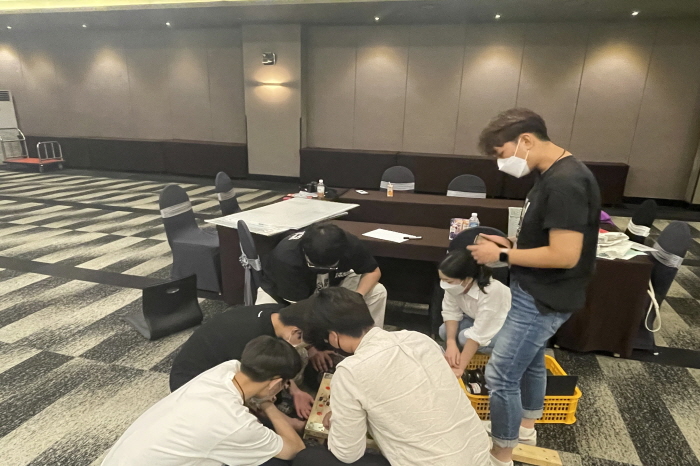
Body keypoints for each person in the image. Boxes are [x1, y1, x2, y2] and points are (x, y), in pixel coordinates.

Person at [468, 108, 601, 466]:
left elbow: (565, 255)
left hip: (544, 296)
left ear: (525, 140)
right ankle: (524, 429)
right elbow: (546, 236)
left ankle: (501, 454)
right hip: (536, 289)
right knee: (530, 363)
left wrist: (502, 255)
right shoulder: (549, 174)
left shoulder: (565, 182)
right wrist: (511, 244)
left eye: (502, 154)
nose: (502, 164)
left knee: (500, 375)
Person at [293, 288, 491, 466]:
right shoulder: (420, 339)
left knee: (307, 458)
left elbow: (347, 453)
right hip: (480, 455)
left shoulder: (350, 371)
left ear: (333, 336)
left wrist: (340, 421)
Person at [102, 336, 305, 466]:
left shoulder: (228, 369)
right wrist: (268, 404)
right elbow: (295, 449)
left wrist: (260, 398)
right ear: (275, 383)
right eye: (285, 384)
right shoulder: (235, 422)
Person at [257, 223, 387, 374]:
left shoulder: (349, 243)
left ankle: (369, 347)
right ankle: (299, 373)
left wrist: (356, 297)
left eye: (330, 266)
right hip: (283, 297)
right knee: (274, 335)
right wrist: (314, 348)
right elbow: (300, 313)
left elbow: (373, 271)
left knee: (377, 292)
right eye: (315, 266)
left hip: (332, 284)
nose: (323, 270)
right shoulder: (286, 257)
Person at [169, 300, 316, 420]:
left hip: (215, 362)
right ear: (296, 331)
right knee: (257, 420)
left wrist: (296, 392)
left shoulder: (279, 314)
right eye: (307, 342)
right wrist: (289, 423)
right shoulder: (250, 341)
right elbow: (250, 384)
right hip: (190, 385)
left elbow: (277, 364)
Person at [438, 248, 511, 378]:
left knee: (464, 338)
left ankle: (500, 361)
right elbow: (451, 313)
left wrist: (459, 369)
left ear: (467, 279)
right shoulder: (455, 287)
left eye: (448, 281)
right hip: (479, 321)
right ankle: (459, 355)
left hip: (509, 328)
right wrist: (450, 343)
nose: (444, 284)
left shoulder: (492, 291)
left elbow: (479, 333)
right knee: (445, 331)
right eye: (442, 279)